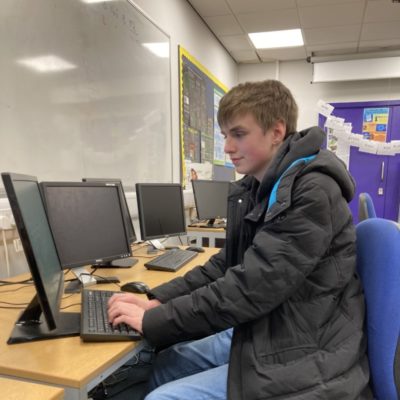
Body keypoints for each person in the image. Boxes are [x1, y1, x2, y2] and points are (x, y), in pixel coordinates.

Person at [108, 80, 372, 399]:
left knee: (162, 397)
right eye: (224, 136)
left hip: (306, 351)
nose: (228, 147)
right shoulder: (255, 188)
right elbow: (227, 264)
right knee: (168, 361)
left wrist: (154, 321)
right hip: (274, 325)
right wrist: (158, 300)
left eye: (239, 134)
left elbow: (250, 288)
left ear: (276, 131)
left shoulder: (311, 191)